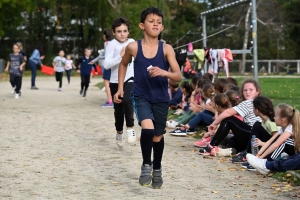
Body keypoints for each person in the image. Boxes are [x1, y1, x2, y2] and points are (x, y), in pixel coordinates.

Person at [114, 7, 182, 189]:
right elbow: (123, 65)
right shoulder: (133, 47)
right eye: (152, 21)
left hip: (161, 98)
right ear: (142, 25)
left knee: (158, 137)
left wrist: (163, 72)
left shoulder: (166, 48)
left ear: (162, 27)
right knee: (148, 130)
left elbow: (178, 76)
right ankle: (146, 165)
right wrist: (120, 88)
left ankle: (157, 169)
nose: (156, 24)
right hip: (141, 95)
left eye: (159, 22)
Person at [203, 79, 262, 155]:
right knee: (233, 140)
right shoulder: (259, 101)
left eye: (251, 90)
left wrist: (214, 124)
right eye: (245, 90)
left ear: (257, 91)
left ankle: (211, 146)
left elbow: (227, 112)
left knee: (228, 120)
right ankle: (232, 151)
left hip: (253, 134)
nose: (247, 92)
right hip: (256, 136)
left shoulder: (249, 102)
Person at [103, 17, 136, 147]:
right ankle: (119, 132)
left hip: (130, 78)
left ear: (128, 32)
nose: (122, 34)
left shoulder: (133, 42)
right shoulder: (112, 44)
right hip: (115, 81)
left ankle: (130, 128)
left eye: (124, 31)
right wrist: (120, 56)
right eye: (119, 31)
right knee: (119, 111)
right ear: (114, 32)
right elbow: (106, 64)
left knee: (128, 100)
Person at [247, 105, 300, 175]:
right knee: (278, 140)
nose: (273, 118)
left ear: (282, 120)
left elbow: (276, 145)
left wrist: (262, 158)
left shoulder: (290, 128)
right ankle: (263, 163)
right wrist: (258, 155)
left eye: (275, 116)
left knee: (283, 142)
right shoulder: (282, 128)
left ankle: (267, 163)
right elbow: (270, 142)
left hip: (297, 153)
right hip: (295, 153)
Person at [241, 96, 279, 170]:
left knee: (256, 125)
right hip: (268, 145)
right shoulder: (264, 121)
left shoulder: (271, 123)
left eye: (253, 108)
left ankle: (250, 155)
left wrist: (262, 144)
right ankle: (251, 156)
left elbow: (277, 142)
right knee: (257, 125)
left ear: (257, 110)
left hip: (275, 149)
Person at [90, 29, 113, 108]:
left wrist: (98, 58)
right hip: (115, 65)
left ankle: (110, 101)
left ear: (105, 35)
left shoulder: (106, 43)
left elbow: (106, 56)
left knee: (106, 83)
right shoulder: (114, 42)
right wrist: (95, 60)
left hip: (108, 65)